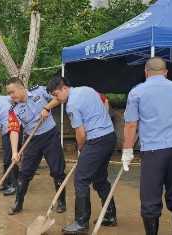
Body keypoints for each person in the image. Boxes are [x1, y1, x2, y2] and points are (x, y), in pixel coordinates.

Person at [122, 57, 172, 235]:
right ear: (166, 72)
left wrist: (127, 150)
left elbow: (131, 125)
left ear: (146, 72)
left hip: (153, 150)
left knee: (151, 197)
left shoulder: (137, 92)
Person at [46, 75, 118, 234]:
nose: (57, 99)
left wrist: (81, 149)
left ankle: (81, 223)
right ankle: (110, 215)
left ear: (64, 88)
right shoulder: (87, 89)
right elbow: (103, 106)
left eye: (56, 94)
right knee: (99, 178)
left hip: (96, 140)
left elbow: (80, 133)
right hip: (109, 137)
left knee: (81, 179)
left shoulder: (71, 104)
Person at [5, 77, 66, 215]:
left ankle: (61, 201)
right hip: (32, 140)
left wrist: (47, 107)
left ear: (21, 88)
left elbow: (59, 97)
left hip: (50, 136)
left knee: (57, 171)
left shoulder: (39, 90)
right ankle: (18, 203)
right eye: (9, 93)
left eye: (12, 92)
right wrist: (15, 152)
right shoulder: (13, 109)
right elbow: (14, 130)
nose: (11, 95)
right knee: (25, 173)